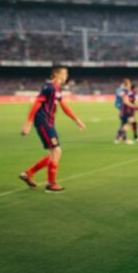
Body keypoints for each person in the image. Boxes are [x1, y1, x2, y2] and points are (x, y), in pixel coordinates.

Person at [18, 65, 86, 193]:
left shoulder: (57, 89)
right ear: (56, 74)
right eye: (64, 73)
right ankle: (51, 184)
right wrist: (28, 123)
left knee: (53, 154)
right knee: (56, 151)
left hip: (48, 122)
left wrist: (77, 120)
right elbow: (37, 103)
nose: (66, 76)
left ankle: (28, 174)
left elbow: (63, 105)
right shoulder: (49, 87)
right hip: (43, 122)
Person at [114, 78, 133, 144]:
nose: (130, 85)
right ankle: (122, 138)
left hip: (123, 107)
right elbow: (125, 100)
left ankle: (120, 138)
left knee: (124, 123)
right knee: (127, 123)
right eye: (129, 84)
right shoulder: (122, 90)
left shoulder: (124, 90)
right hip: (122, 107)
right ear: (126, 84)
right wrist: (135, 106)